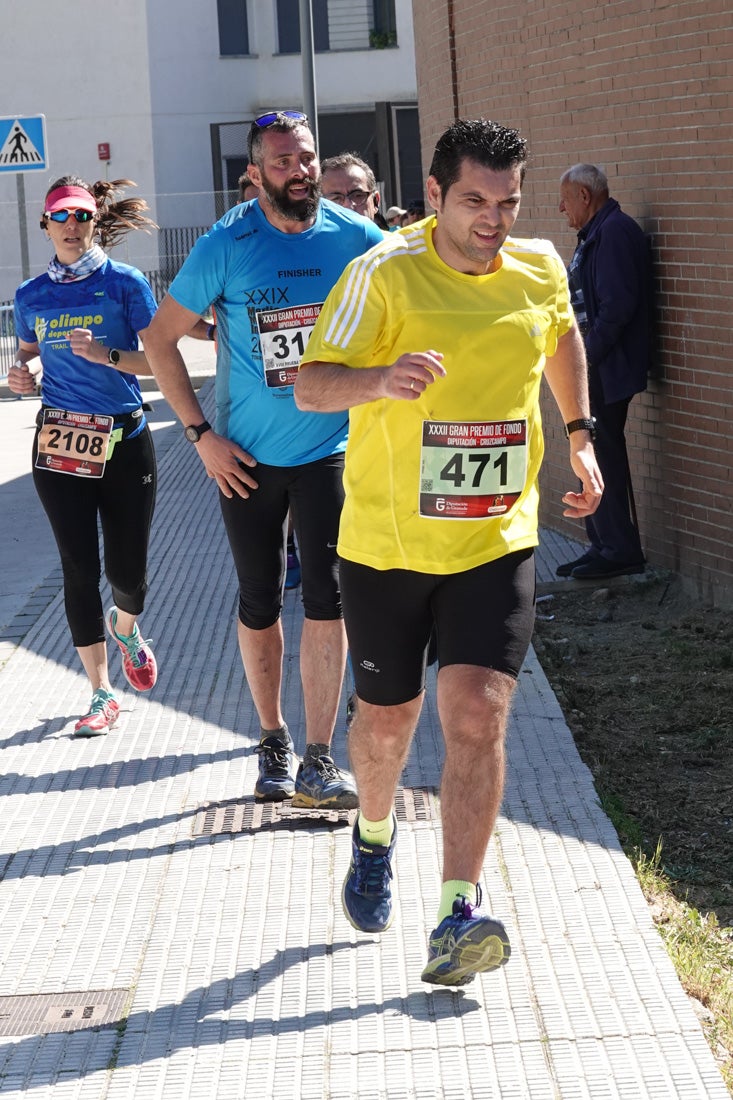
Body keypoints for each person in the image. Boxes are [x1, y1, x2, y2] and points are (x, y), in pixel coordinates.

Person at [295, 118, 603, 985]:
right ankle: (374, 832)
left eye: (506, 203)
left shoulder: (539, 265)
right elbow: (311, 384)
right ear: (433, 195)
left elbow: (560, 335)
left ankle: (455, 911)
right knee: (387, 725)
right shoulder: (381, 273)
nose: (492, 220)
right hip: (388, 546)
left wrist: (577, 432)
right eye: (474, 201)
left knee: (476, 712)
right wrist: (377, 380)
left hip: (494, 538)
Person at [143, 110, 384, 809]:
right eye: (282, 161)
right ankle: (272, 739)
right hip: (244, 457)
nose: (298, 170)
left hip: (328, 449)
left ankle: (318, 757)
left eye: (304, 157)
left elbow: (415, 286)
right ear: (254, 173)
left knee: (327, 600)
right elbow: (160, 341)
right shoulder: (227, 242)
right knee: (257, 600)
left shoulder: (355, 238)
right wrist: (200, 437)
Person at [8, 176, 160, 737]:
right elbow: (28, 355)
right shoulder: (30, 296)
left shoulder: (124, 283)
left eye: (82, 217)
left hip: (122, 438)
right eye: (61, 217)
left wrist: (107, 354)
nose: (72, 227)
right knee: (77, 565)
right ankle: (100, 692)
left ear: (95, 222)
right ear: (45, 225)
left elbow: (158, 362)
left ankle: (127, 628)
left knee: (128, 567)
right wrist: (22, 376)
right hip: (59, 441)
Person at [556, 163, 651, 579]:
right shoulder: (597, 232)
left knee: (602, 453)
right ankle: (601, 544)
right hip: (597, 365)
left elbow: (618, 307)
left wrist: (584, 357)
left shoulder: (613, 232)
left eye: (565, 199)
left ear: (584, 195)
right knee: (589, 450)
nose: (561, 208)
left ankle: (618, 549)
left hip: (606, 368)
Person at [320, 152, 389, 231]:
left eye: (357, 195)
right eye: (336, 198)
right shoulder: (313, 243)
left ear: (375, 201)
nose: (348, 206)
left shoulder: (395, 243)